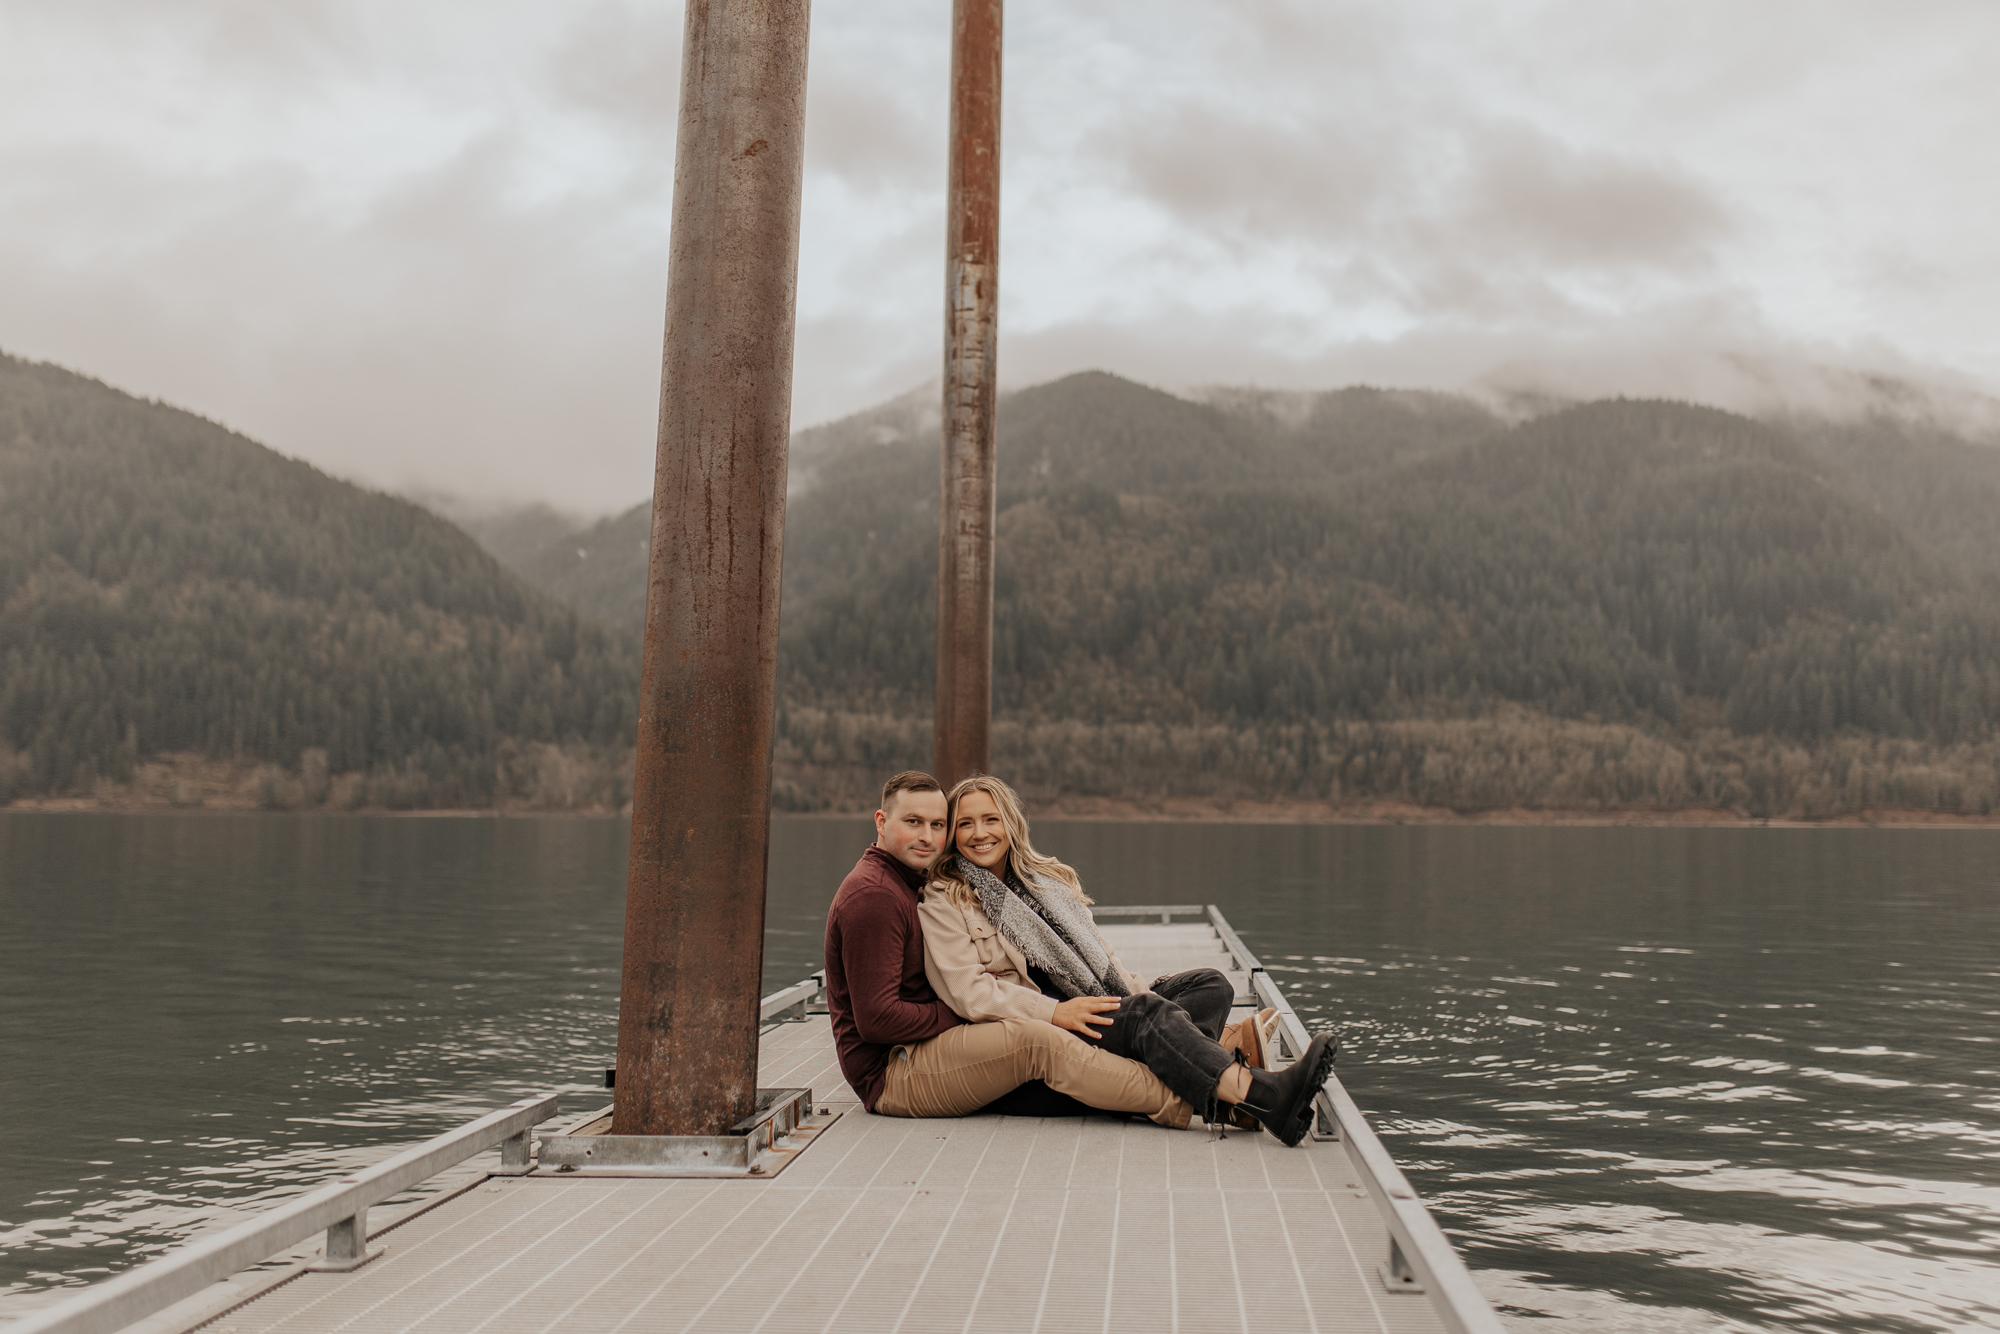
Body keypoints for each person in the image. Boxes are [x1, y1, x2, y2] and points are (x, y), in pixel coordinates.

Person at [921, 774, 1339, 1146]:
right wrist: (1056, 1012)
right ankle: (1263, 1096)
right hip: (1046, 1031)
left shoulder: (1047, 885)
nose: (980, 833)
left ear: (1011, 824)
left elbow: (1104, 957)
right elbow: (969, 993)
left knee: (1210, 986)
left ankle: (1179, 1059)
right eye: (966, 824)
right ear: (953, 835)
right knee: (1146, 1017)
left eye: (990, 819)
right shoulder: (945, 898)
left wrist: (1142, 999)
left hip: (1090, 1008)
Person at [823, 770, 1197, 1128]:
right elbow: (878, 1020)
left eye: (937, 825)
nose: (926, 836)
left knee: (1192, 993)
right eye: (913, 822)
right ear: (881, 821)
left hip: (938, 1047)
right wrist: (962, 1012)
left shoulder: (906, 880)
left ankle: (1183, 1066)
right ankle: (1189, 1094)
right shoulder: (875, 895)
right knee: (1041, 1039)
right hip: (893, 1074)